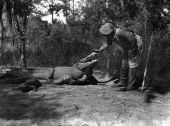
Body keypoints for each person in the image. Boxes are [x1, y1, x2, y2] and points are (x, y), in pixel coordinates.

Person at [92, 22, 143, 91]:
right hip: (127, 48)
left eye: (106, 34)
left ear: (111, 32)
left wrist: (134, 50)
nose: (105, 36)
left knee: (132, 65)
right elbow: (107, 43)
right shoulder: (110, 36)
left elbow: (132, 38)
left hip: (135, 45)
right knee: (124, 64)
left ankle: (132, 85)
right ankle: (122, 82)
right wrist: (99, 50)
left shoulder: (119, 32)